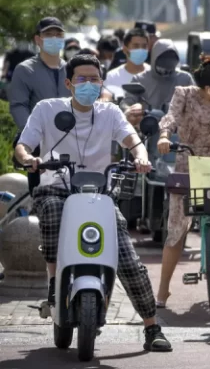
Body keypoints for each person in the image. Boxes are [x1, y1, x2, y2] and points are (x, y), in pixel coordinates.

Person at [13, 54, 172, 352]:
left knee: (127, 257)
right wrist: (29, 159)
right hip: (57, 187)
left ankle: (152, 327)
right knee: (51, 212)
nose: (89, 85)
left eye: (94, 79)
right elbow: (25, 143)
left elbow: (131, 138)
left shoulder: (110, 112)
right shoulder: (47, 109)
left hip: (98, 194)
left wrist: (141, 156)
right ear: (69, 83)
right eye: (82, 79)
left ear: (102, 82)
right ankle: (53, 281)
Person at [154, 55, 210, 308]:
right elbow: (170, 117)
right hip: (188, 163)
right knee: (176, 230)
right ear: (209, 89)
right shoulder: (185, 94)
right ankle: (163, 290)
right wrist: (163, 136)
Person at [9, 17, 70, 130]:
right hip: (38, 138)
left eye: (58, 35)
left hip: (68, 137)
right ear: (37, 39)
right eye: (48, 34)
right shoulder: (25, 69)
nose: (54, 38)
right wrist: (31, 132)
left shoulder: (71, 69)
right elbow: (18, 106)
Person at [121, 39, 194, 126]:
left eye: (170, 64)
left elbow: (196, 104)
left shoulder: (185, 79)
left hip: (177, 130)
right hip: (146, 129)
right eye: (162, 64)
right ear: (154, 59)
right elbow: (126, 102)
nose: (166, 70)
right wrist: (130, 110)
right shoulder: (140, 79)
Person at [103, 28, 151, 100]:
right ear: (125, 50)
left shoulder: (155, 75)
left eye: (144, 46)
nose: (141, 50)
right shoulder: (112, 77)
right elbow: (105, 99)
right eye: (136, 46)